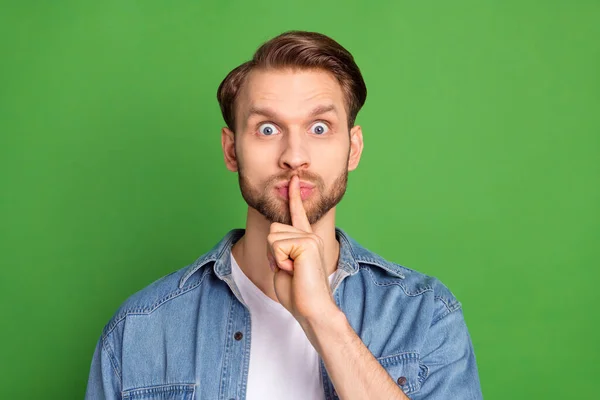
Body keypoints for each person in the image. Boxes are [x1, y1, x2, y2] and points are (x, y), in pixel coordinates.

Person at [85, 31, 483, 400]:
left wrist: (322, 318)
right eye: (268, 129)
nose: (294, 155)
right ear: (231, 150)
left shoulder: (425, 314)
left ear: (354, 148)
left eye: (320, 127)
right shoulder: (140, 330)